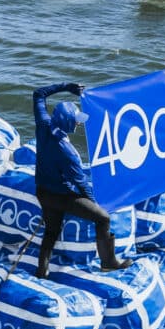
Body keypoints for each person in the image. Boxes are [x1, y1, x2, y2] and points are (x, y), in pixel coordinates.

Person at [31, 82, 125, 278]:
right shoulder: (68, 153)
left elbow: (39, 94)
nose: (79, 123)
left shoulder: (44, 125)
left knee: (51, 231)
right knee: (103, 218)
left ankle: (42, 271)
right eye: (76, 120)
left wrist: (67, 87)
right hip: (62, 197)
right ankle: (109, 262)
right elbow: (81, 184)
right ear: (67, 123)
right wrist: (97, 203)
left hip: (42, 191)